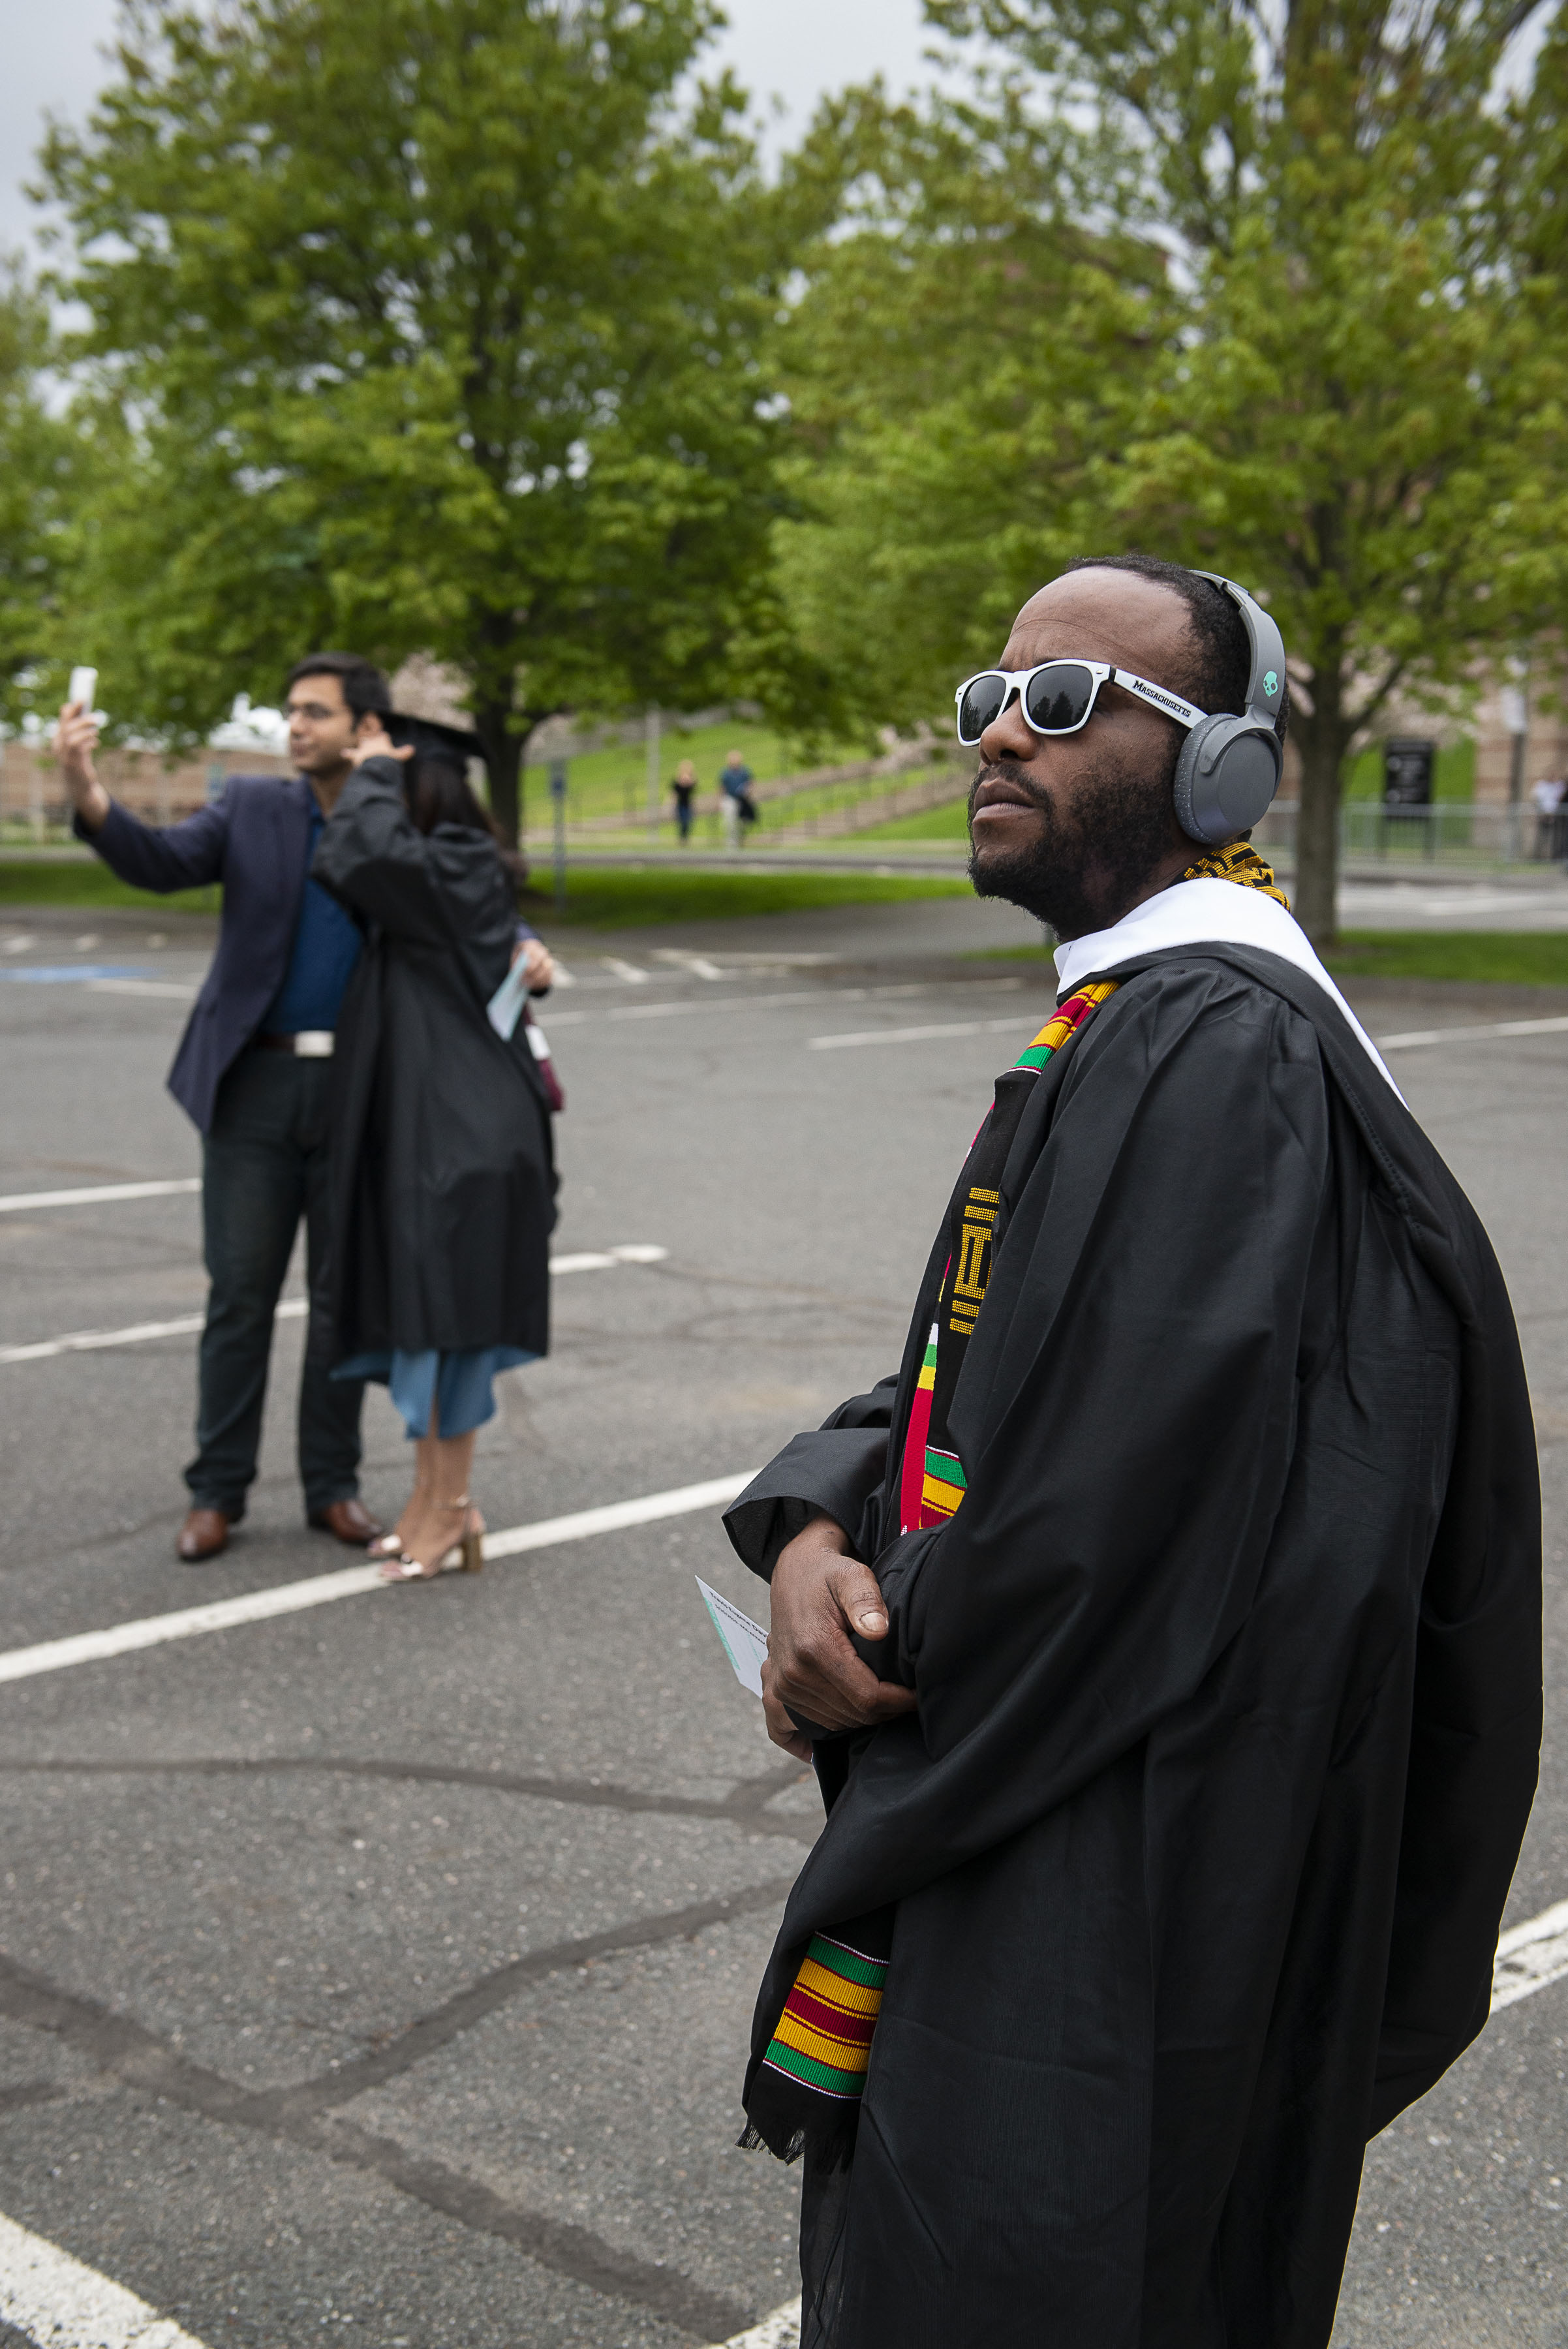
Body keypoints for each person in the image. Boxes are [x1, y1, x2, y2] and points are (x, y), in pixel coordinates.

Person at [722, 555, 1541, 2349]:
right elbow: (976, 1384)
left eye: (1067, 700)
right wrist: (809, 1527)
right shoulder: (1134, 1022)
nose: (1001, 732)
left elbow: (1102, 1519)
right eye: (989, 698)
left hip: (1106, 1890)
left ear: (1219, 768)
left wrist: (868, 1640)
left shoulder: (1216, 1049)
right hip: (1058, 1817)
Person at [52, 654, 398, 1563]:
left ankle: (333, 1485)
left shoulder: (394, 815)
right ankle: (217, 1491)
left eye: (316, 712)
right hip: (253, 1088)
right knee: (240, 1296)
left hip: (360, 1094)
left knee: (340, 1303)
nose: (296, 726)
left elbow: (466, 893)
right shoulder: (252, 807)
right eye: (291, 711)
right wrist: (85, 786)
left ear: (365, 728)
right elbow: (159, 861)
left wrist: (523, 945)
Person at [313, 715, 558, 1580]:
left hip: (462, 1137)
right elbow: (360, 860)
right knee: (426, 1324)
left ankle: (450, 1508)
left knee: (450, 1329)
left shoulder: (455, 856)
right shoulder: (442, 872)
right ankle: (432, 1498)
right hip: (437, 1127)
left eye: (387, 777)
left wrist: (375, 770)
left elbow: (356, 853)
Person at [719, 747, 758, 847]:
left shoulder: (744, 772)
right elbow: (722, 787)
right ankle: (731, 841)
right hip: (730, 798)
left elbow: (751, 784)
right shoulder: (726, 773)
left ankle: (741, 839)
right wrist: (720, 801)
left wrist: (748, 792)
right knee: (730, 820)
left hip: (742, 799)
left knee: (743, 821)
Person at [671, 758, 698, 843]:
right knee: (682, 821)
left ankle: (685, 838)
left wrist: (691, 773)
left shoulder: (690, 783)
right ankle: (682, 838)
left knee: (688, 821)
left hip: (688, 804)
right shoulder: (677, 783)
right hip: (680, 804)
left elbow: (694, 784)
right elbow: (674, 793)